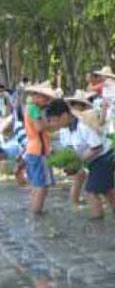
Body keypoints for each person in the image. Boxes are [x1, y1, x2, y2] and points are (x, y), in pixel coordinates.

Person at [45, 99, 115, 220]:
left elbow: (97, 147)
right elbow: (70, 151)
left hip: (105, 157)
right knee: (107, 190)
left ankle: (97, 221)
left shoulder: (83, 125)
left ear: (64, 116)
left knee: (90, 192)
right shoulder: (64, 130)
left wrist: (78, 162)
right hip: (93, 160)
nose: (52, 124)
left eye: (54, 120)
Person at [23, 82, 58, 215]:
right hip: (39, 151)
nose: (47, 100)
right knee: (41, 186)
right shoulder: (34, 109)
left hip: (32, 150)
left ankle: (33, 211)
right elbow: (39, 127)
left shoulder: (29, 108)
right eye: (45, 97)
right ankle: (36, 214)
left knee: (36, 184)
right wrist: (52, 124)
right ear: (37, 96)